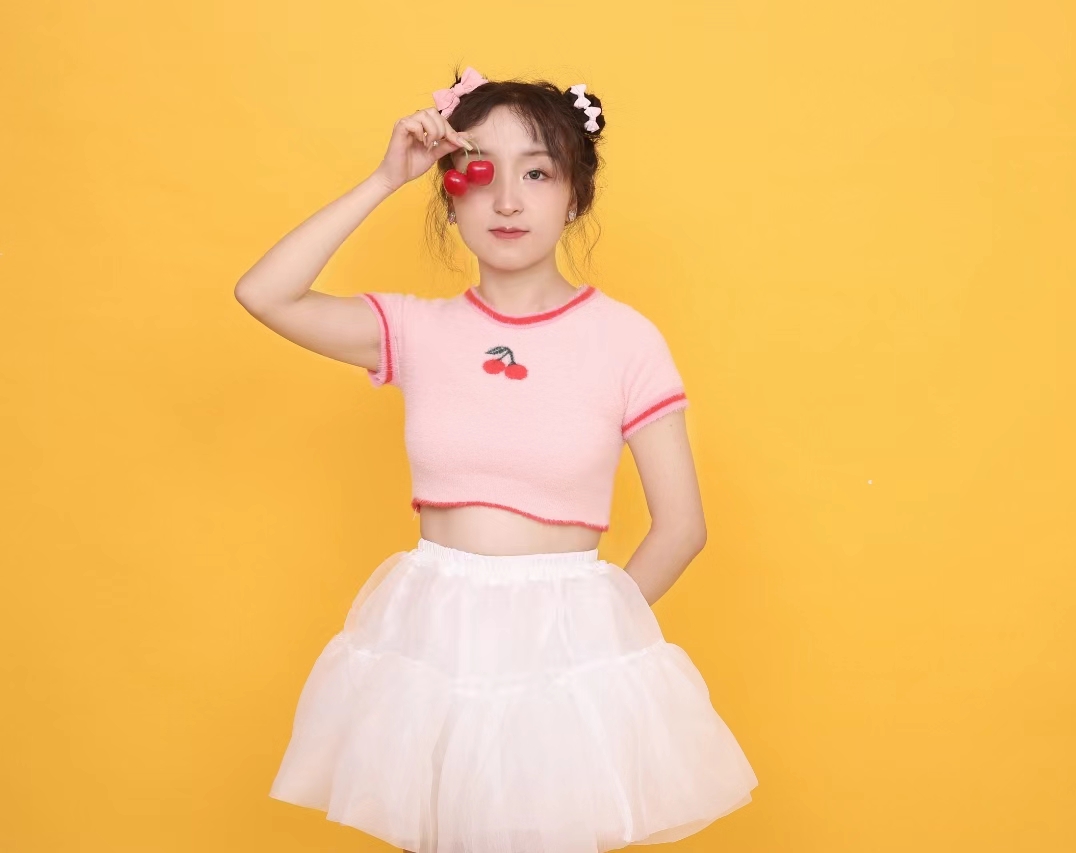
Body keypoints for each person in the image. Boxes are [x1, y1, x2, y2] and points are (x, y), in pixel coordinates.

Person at [235, 66, 758, 853]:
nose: (507, 201)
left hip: (564, 644)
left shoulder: (625, 340)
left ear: (575, 196)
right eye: (480, 173)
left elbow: (681, 526)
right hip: (433, 643)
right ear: (450, 197)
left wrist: (587, 641)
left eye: (537, 173)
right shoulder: (416, 329)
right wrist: (384, 179)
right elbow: (264, 293)